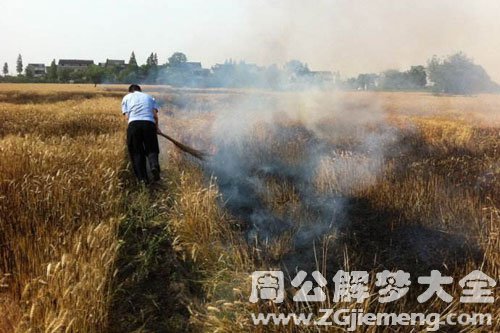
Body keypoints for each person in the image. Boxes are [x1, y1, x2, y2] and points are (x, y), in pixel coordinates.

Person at [122, 84, 161, 183]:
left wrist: (133, 128)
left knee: (137, 152)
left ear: (130, 91)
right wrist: (156, 128)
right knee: (152, 148)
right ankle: (154, 165)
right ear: (140, 90)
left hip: (134, 124)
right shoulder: (149, 97)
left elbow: (127, 117)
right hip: (149, 123)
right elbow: (155, 116)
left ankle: (143, 179)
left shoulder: (126, 97)